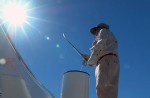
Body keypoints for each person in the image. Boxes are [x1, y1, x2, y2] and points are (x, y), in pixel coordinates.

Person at [82, 23, 120, 98]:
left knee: (105, 87)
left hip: (107, 60)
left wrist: (90, 60)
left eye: (96, 30)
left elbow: (100, 44)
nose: (95, 33)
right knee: (105, 87)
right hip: (105, 61)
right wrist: (88, 58)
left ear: (100, 28)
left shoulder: (103, 31)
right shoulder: (103, 36)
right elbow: (99, 53)